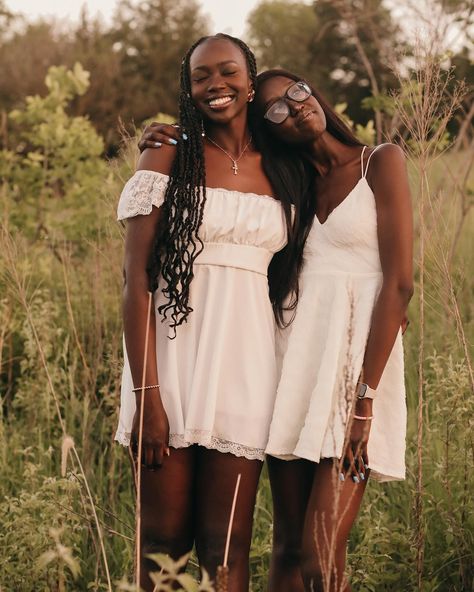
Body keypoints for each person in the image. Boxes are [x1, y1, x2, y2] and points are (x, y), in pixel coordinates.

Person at [139, 67, 413, 591]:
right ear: (267, 128)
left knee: (320, 554)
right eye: (277, 109)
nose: (295, 105)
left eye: (297, 92)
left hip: (354, 377)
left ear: (313, 91)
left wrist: (364, 402)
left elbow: (399, 286)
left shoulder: (381, 161)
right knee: (286, 546)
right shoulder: (291, 185)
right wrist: (162, 139)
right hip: (290, 367)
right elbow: (225, 168)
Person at [116, 38, 311, 592]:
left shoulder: (285, 166)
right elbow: (135, 281)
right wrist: (146, 395)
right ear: (189, 88)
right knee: (162, 543)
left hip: (247, 368)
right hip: (170, 364)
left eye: (228, 72)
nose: (215, 85)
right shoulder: (168, 152)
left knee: (226, 548)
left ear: (251, 81)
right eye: (201, 77)